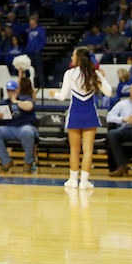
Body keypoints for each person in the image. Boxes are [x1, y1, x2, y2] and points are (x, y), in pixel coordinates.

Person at [53, 47, 112, 189]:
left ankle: (73, 180)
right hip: (90, 114)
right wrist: (101, 77)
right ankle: (84, 182)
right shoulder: (95, 73)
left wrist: (53, 93)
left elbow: (61, 97)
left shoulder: (69, 73)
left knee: (74, 150)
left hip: (75, 113)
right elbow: (109, 93)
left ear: (79, 58)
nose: (71, 58)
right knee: (88, 149)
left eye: (73, 55)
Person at [0, 78, 39, 174]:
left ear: (17, 90)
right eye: (8, 91)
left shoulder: (25, 98)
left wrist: (16, 101)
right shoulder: (4, 102)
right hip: (9, 128)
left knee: (27, 132)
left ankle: (28, 162)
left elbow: (29, 106)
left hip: (24, 126)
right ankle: (6, 161)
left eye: (13, 90)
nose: (10, 93)